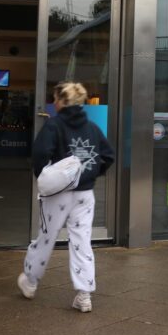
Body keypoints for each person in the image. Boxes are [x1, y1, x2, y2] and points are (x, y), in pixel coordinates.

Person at [17, 81, 114, 313]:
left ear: (61, 101)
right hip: (84, 195)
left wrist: (45, 176)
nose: (53, 103)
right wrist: (92, 174)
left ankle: (30, 282)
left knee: (46, 237)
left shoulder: (54, 125)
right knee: (82, 242)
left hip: (58, 195)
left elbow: (40, 153)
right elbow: (108, 155)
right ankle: (84, 295)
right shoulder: (92, 127)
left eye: (54, 98)